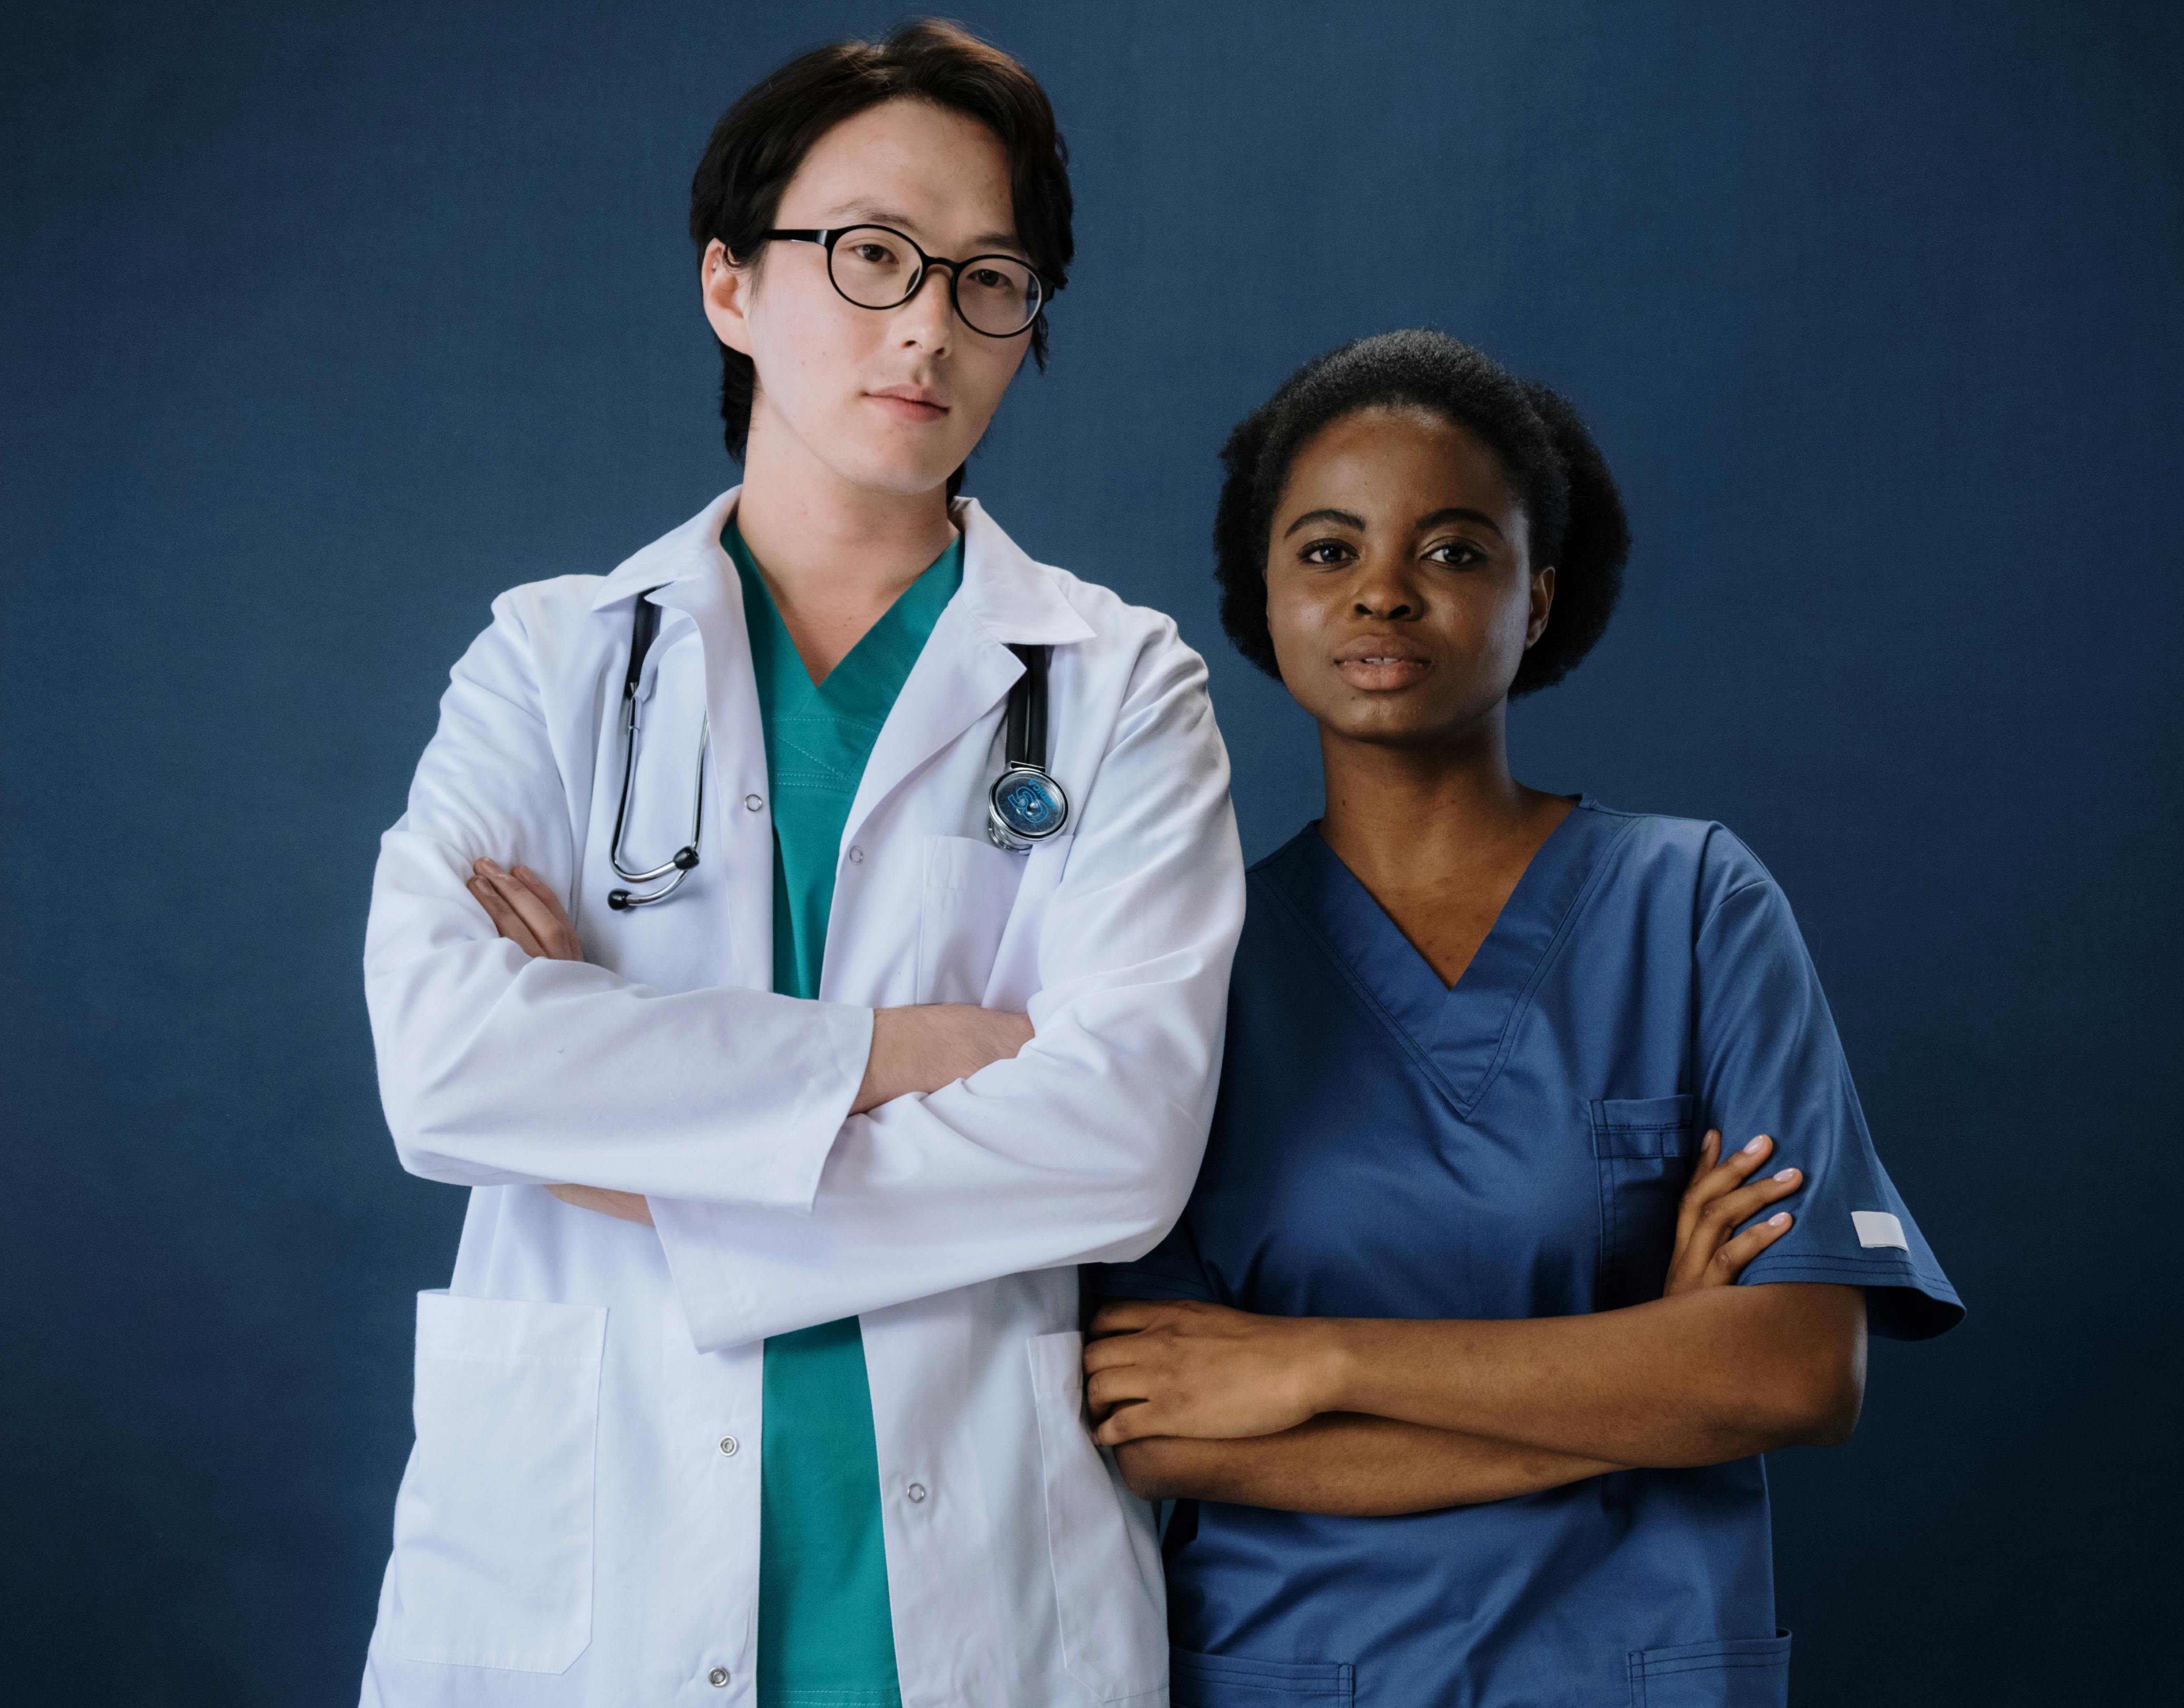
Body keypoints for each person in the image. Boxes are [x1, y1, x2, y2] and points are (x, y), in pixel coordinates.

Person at [357, 22, 1241, 1706]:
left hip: (967, 1579)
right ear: (729, 286)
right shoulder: (549, 663)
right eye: (870, 255)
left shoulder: (1119, 686)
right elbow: (449, 1065)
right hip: (587, 1574)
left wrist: (619, 1148)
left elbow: (1123, 1142)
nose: (927, 323)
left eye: (992, 276)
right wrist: (908, 1056)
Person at [1085, 329, 1961, 1708]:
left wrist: (1319, 1359)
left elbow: (1796, 1371)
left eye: (1450, 551)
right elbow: (1161, 1429)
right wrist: (1652, 1376)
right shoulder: (1183, 960)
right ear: (1264, 593)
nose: (1383, 592)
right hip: (1303, 1675)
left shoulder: (1695, 906)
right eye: (1327, 551)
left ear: (1536, 596)